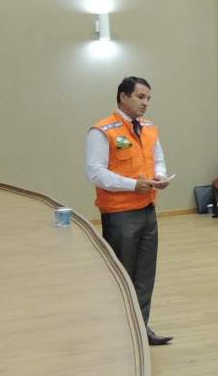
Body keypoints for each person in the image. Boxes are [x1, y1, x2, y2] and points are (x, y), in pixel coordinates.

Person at [85, 76, 173, 346]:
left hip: (147, 208)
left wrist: (159, 176)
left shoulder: (149, 128)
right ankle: (120, 333)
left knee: (145, 274)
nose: (145, 103)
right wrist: (133, 185)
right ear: (123, 96)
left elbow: (157, 158)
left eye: (148, 98)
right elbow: (95, 172)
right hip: (120, 212)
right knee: (123, 273)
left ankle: (140, 328)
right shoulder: (102, 131)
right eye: (140, 97)